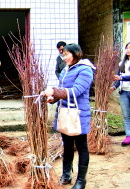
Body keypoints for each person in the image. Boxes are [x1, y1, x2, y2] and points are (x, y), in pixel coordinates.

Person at [43, 43, 95, 189]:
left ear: (76, 54)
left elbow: (75, 91)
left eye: (66, 54)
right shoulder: (66, 70)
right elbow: (62, 91)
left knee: (82, 146)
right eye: (63, 55)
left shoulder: (85, 69)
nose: (64, 58)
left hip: (78, 114)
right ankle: (67, 175)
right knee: (67, 145)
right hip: (65, 113)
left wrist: (54, 91)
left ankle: (81, 180)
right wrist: (54, 98)